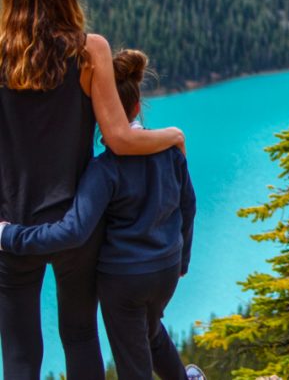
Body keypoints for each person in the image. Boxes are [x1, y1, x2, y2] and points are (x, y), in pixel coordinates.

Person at [0, 0, 186, 379]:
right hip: (78, 224)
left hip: (10, 226)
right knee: (80, 336)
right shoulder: (88, 50)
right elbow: (119, 139)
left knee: (20, 354)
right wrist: (172, 136)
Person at [0, 49, 204, 380]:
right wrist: (182, 260)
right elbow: (188, 206)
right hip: (166, 268)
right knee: (149, 331)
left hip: (123, 278)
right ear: (137, 106)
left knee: (131, 361)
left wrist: (9, 235)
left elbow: (73, 230)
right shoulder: (171, 153)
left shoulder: (103, 171)